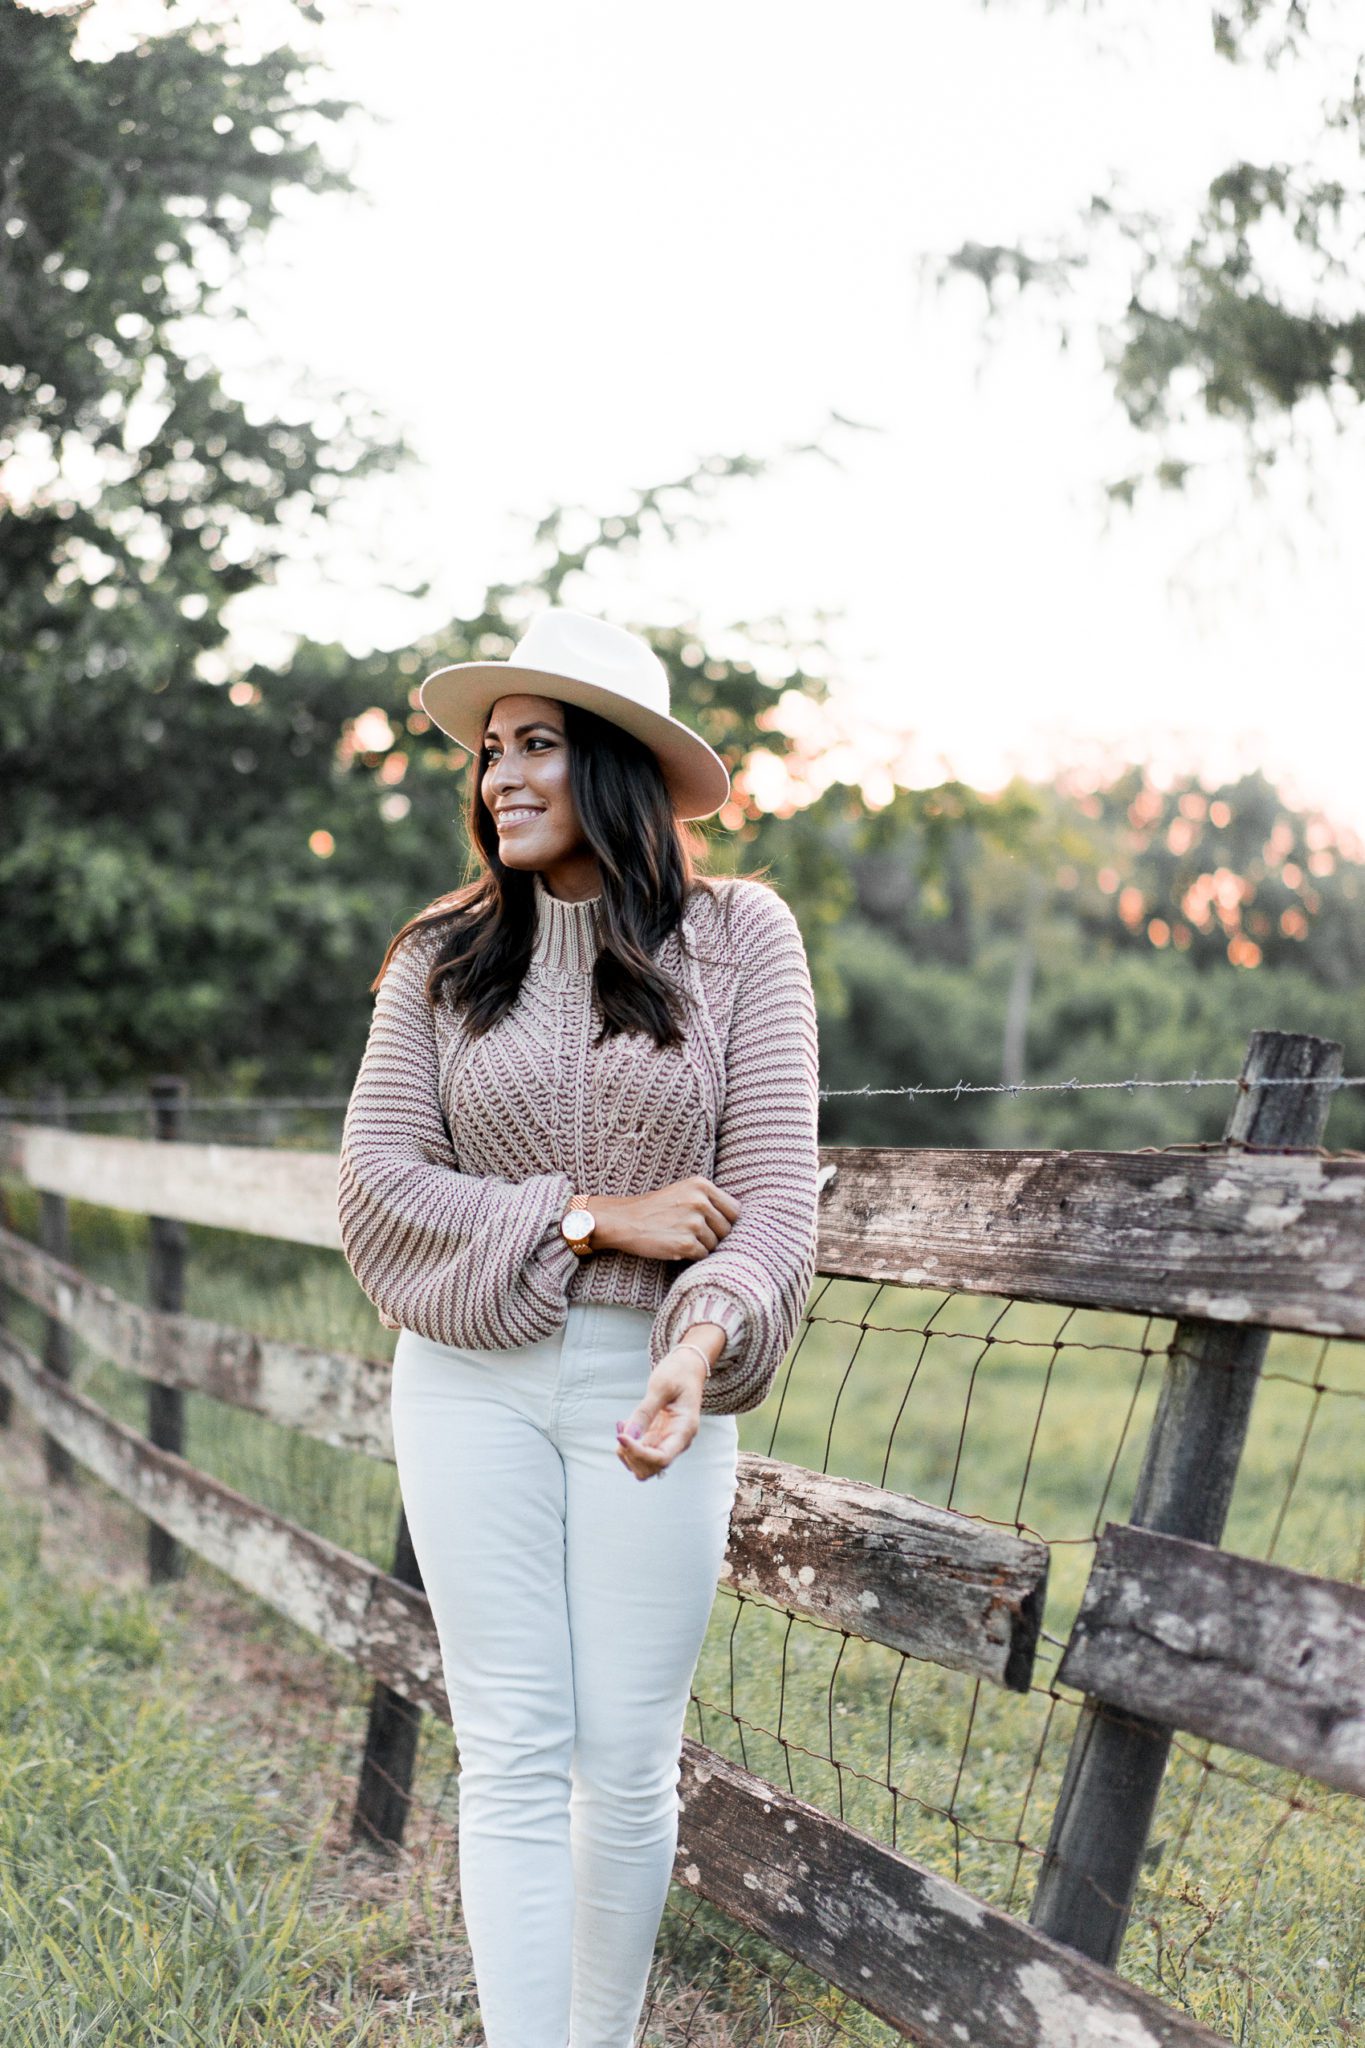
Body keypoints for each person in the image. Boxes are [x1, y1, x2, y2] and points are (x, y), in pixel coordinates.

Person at [336, 606, 821, 2047]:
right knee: (512, 1748)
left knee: (624, 1759)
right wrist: (589, 1218)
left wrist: (696, 1344)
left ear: (613, 764)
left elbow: (775, 1201)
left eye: (536, 744)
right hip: (464, 1383)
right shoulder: (439, 958)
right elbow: (376, 1184)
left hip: (651, 1384)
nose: (499, 777)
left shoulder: (741, 938)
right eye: (491, 752)